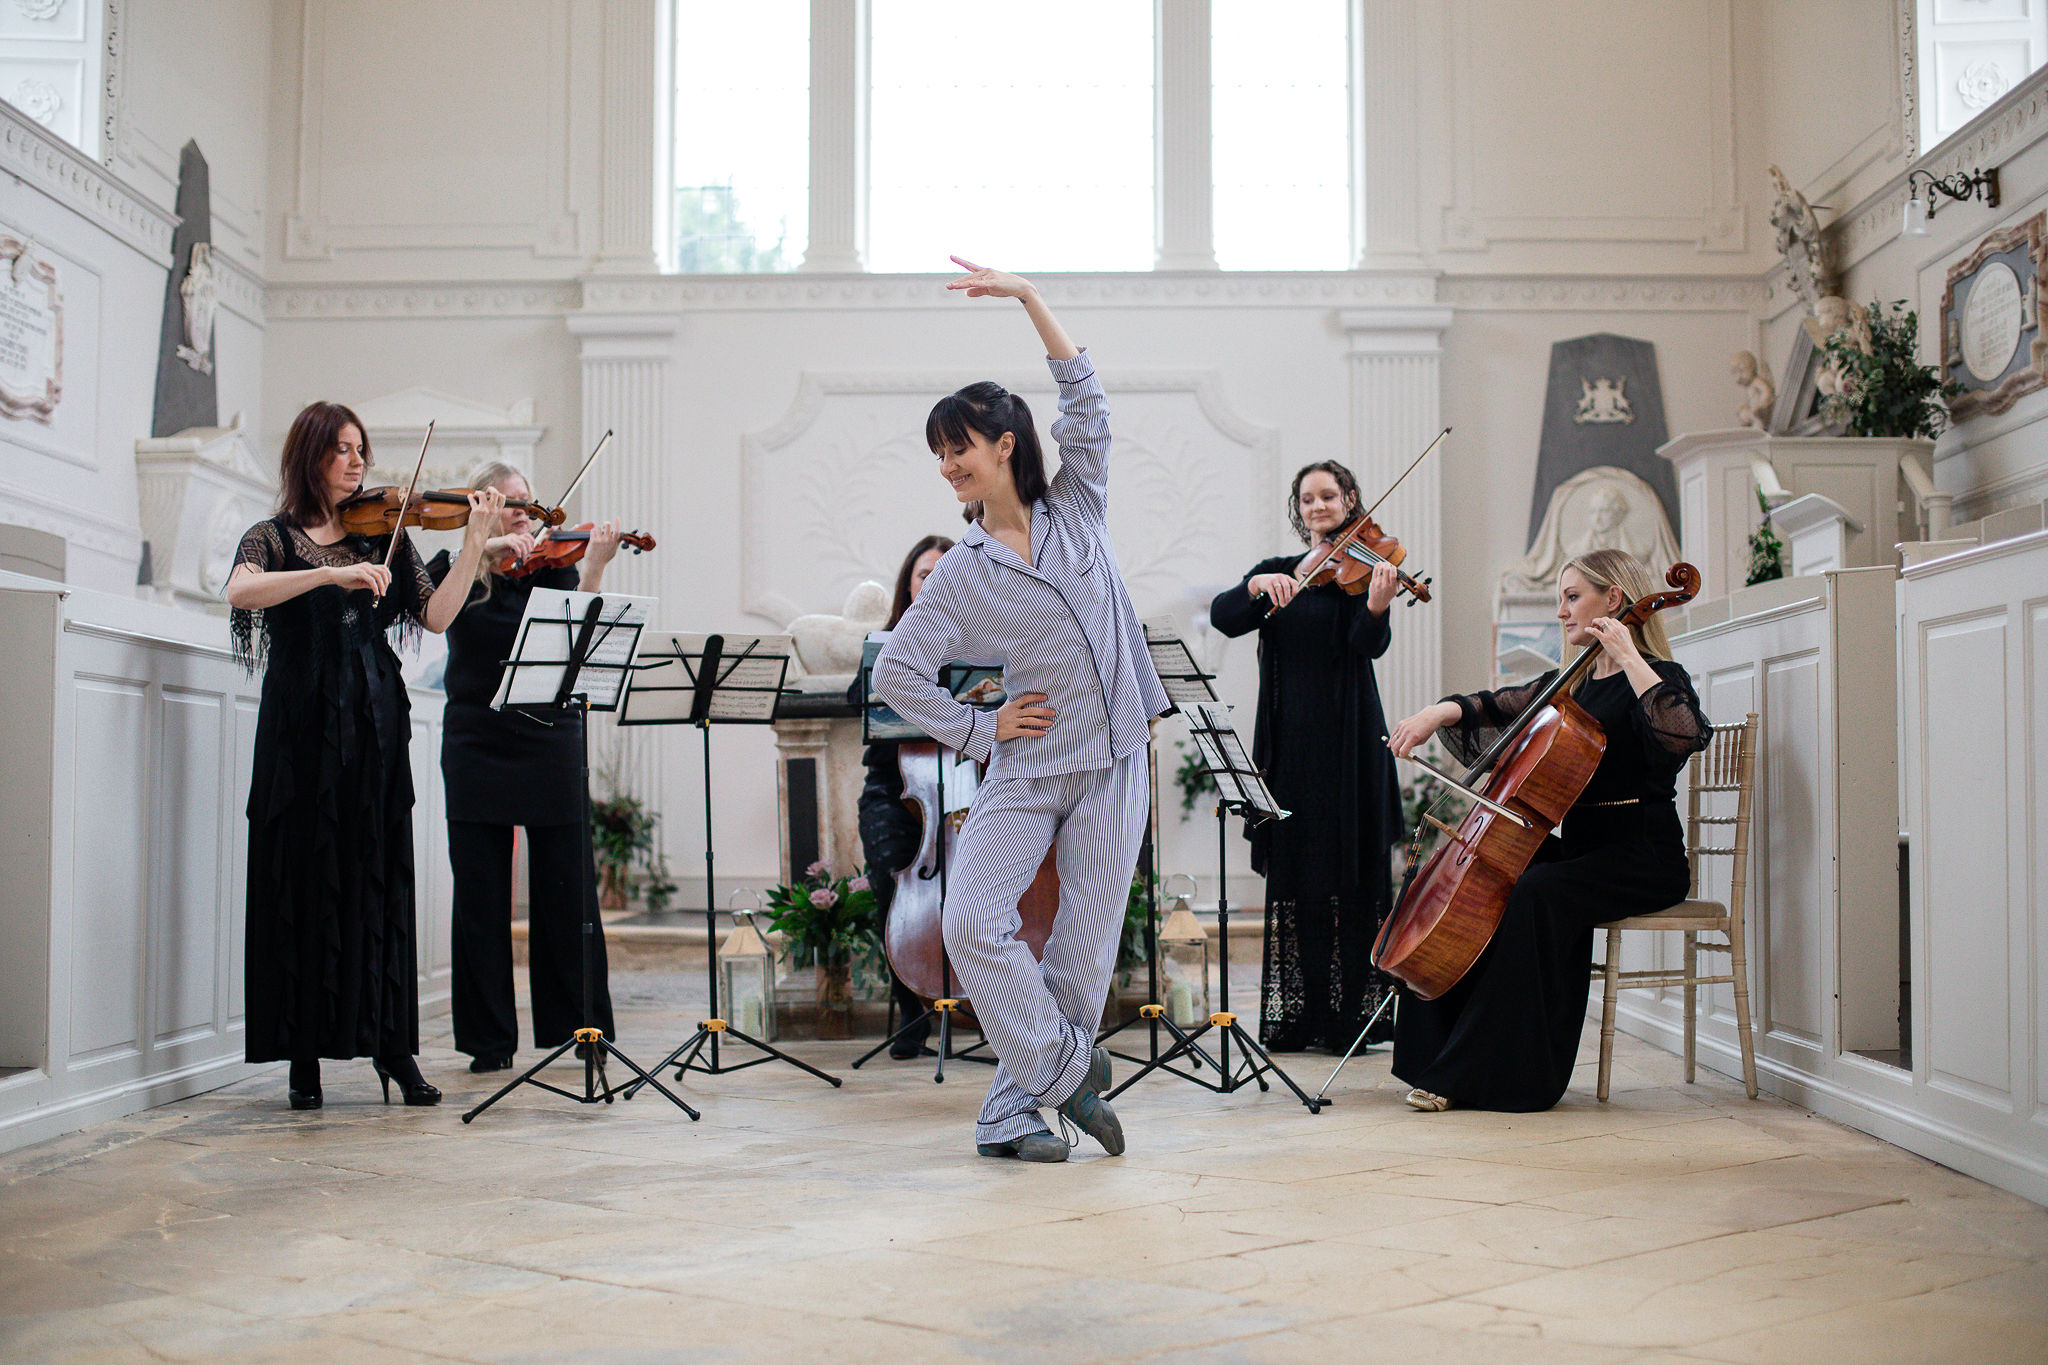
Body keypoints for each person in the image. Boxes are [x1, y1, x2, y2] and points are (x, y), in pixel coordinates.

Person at [873, 258, 1168, 1163]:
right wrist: (980, 726)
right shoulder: (961, 571)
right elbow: (898, 672)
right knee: (970, 921)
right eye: (938, 455)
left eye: (957, 446)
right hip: (1028, 767)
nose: (947, 465)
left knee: (1080, 953)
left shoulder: (1078, 504)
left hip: (1116, 757)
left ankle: (1012, 1113)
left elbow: (1087, 403)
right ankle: (1068, 1070)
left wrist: (1029, 298)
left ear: (1004, 442)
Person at [226, 402, 506, 1110]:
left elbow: (436, 616)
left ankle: (393, 1048)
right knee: (301, 879)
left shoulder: (387, 536)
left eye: (361, 450)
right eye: (343, 449)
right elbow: (240, 590)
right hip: (300, 732)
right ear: (310, 456)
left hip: (376, 726)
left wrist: (473, 541)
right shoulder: (273, 536)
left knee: (377, 879)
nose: (358, 462)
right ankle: (303, 1057)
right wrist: (328, 576)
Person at [1383, 548, 1711, 1113]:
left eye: (1572, 597)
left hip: (1644, 856)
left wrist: (1630, 655)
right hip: (1583, 852)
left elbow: (1684, 735)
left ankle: (1491, 1076)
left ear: (1613, 599)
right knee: (1491, 874)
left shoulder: (1660, 677)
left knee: (1538, 891)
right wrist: (1435, 713)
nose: (1561, 612)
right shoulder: (1570, 684)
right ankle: (1432, 1057)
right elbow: (1496, 707)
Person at [424, 461, 621, 1074]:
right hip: (477, 741)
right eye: (509, 502)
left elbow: (577, 649)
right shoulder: (455, 567)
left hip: (549, 738)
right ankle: (489, 1042)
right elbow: (434, 610)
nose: (523, 514)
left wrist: (593, 568)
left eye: (529, 503)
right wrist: (478, 547)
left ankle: (581, 1027)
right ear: (481, 506)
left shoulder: (555, 569)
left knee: (568, 888)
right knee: (480, 894)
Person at [1209, 463, 1403, 1053]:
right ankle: (1302, 1014)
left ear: (1349, 500)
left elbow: (1367, 646)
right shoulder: (1280, 572)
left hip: (1350, 748)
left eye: (1328, 496)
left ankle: (1351, 1020)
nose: (1318, 506)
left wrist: (1377, 608)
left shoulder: (1362, 570)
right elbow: (1224, 617)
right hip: (1289, 750)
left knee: (1353, 883)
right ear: (1299, 508)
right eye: (1308, 498)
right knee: (1301, 884)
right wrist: (1257, 585)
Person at [852, 534, 955, 1060]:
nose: (932, 583)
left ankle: (981, 1007)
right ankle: (911, 1013)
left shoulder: (976, 637)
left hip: (959, 790)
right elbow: (858, 700)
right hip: (892, 790)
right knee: (892, 890)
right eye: (923, 575)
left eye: (943, 574)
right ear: (908, 585)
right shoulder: (887, 641)